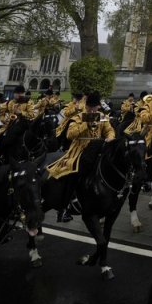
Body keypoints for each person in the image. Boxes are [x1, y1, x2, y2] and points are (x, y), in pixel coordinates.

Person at [47, 93, 115, 222]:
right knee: (73, 173)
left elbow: (109, 130)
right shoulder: (79, 117)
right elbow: (70, 135)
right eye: (90, 107)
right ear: (87, 106)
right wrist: (86, 123)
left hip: (98, 149)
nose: (92, 110)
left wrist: (110, 137)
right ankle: (64, 207)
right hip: (79, 150)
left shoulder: (102, 117)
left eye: (95, 107)